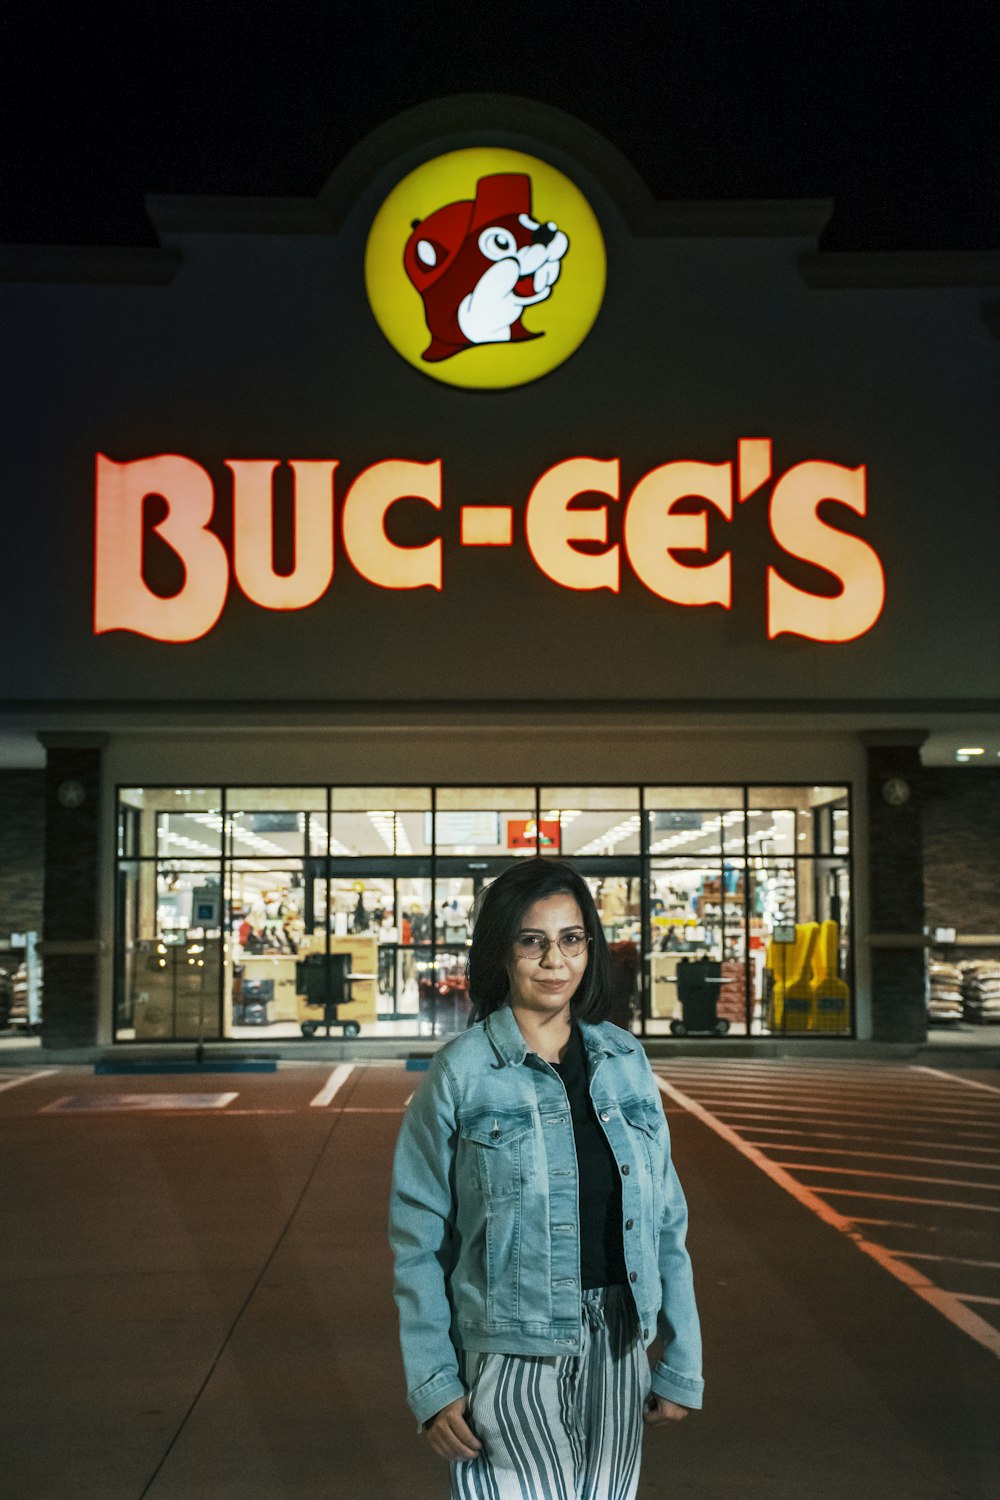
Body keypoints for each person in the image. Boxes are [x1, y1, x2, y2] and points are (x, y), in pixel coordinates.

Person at [388, 857, 703, 1499]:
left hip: (619, 1345)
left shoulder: (625, 1060)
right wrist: (434, 1381)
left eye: (571, 939)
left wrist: (682, 1355)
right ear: (502, 952)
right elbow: (418, 1241)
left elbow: (666, 1218)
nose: (555, 960)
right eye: (533, 941)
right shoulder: (461, 1074)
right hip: (509, 1353)